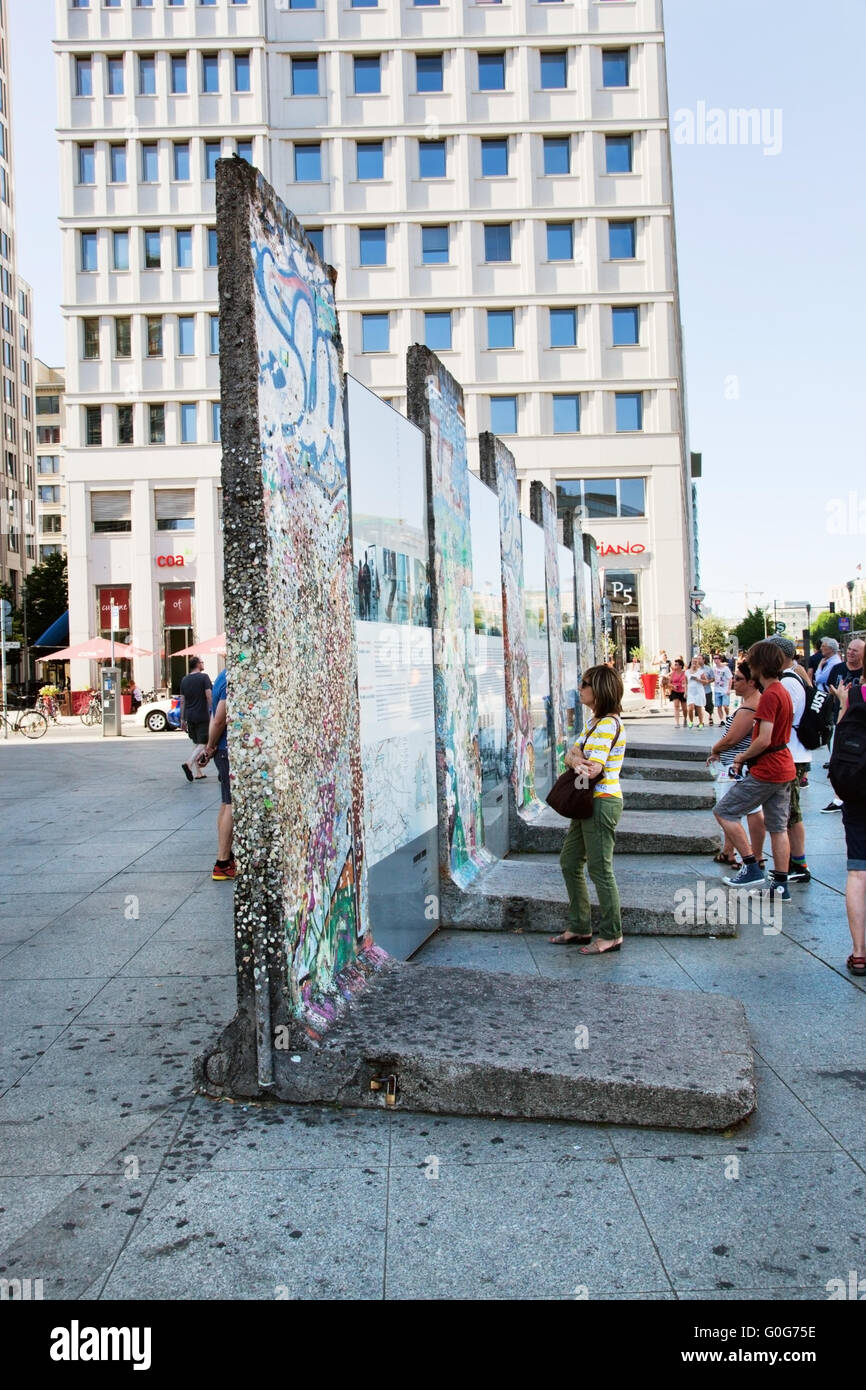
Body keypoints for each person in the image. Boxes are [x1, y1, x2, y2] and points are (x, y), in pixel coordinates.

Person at [549, 664, 627, 954]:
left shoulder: (607, 725)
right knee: (570, 862)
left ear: (600, 689)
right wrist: (574, 757)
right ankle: (580, 926)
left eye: (585, 684)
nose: (580, 688)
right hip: (586, 801)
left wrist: (574, 757)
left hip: (601, 802)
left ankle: (611, 934)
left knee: (600, 870)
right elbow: (571, 754)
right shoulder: (594, 723)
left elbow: (591, 769)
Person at [714, 640, 795, 899]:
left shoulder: (770, 695)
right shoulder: (781, 690)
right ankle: (780, 885)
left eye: (750, 662)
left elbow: (764, 739)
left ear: (759, 665)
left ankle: (751, 867)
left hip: (768, 768)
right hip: (783, 767)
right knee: (778, 828)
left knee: (724, 811)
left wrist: (741, 757)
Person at [706, 660, 763, 870]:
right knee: (744, 810)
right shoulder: (750, 702)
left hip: (737, 767)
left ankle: (749, 857)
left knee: (726, 810)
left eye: (738, 679)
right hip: (737, 765)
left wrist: (715, 748)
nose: (734, 683)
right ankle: (732, 852)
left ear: (752, 682)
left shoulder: (750, 707)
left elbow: (732, 738)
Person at [769, 635, 813, 882]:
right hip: (794, 752)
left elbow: (785, 716)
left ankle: (799, 864)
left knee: (791, 813)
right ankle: (796, 863)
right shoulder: (792, 678)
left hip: (792, 754)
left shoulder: (788, 682)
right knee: (790, 812)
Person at [834, 680, 866, 975]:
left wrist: (844, 704)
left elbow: (841, 743)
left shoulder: (856, 694)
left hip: (858, 792)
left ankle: (859, 954)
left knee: (858, 872)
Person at [200, 666, 235, 880]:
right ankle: (222, 862)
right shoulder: (233, 676)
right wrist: (210, 745)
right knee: (231, 804)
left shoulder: (222, 674)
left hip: (222, 750)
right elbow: (219, 718)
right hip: (226, 749)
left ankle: (226, 857)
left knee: (225, 803)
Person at [823, 638, 864, 812]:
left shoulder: (860, 687)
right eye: (849, 649)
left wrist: (843, 699)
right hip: (842, 717)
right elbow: (829, 687)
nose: (850, 652)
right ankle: (840, 797)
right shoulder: (838, 669)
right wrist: (837, 695)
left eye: (855, 650)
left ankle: (841, 798)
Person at [179, 657, 213, 783]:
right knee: (203, 743)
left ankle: (199, 772)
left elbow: (182, 700)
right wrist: (213, 711)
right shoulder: (204, 677)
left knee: (196, 742)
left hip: (189, 715)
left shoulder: (184, 679)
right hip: (202, 715)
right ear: (198, 664)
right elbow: (209, 695)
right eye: (202, 662)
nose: (203, 664)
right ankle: (189, 763)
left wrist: (182, 719)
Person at [686, 656, 709, 728]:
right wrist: (685, 692)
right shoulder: (687, 672)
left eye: (696, 662)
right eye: (693, 662)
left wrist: (698, 680)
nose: (694, 663)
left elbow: (706, 682)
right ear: (691, 662)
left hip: (699, 691)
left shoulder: (700, 672)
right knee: (690, 708)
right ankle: (691, 721)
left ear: (697, 663)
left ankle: (701, 722)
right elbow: (685, 683)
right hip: (690, 692)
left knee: (699, 708)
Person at [711, 652, 733, 726]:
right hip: (717, 689)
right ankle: (722, 720)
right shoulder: (713, 669)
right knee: (718, 706)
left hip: (724, 689)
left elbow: (730, 679)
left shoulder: (725, 669)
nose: (715, 660)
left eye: (717, 658)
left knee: (725, 705)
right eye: (714, 658)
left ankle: (727, 716)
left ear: (720, 659)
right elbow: (711, 677)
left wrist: (729, 689)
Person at [669, 658, 687, 726]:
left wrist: (685, 687)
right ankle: (677, 722)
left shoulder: (685, 673)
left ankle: (685, 718)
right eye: (675, 664)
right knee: (676, 706)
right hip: (675, 691)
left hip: (683, 691)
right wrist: (672, 686)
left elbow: (687, 682)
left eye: (676, 664)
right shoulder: (673, 673)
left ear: (680, 666)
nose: (675, 666)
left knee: (684, 708)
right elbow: (669, 683)